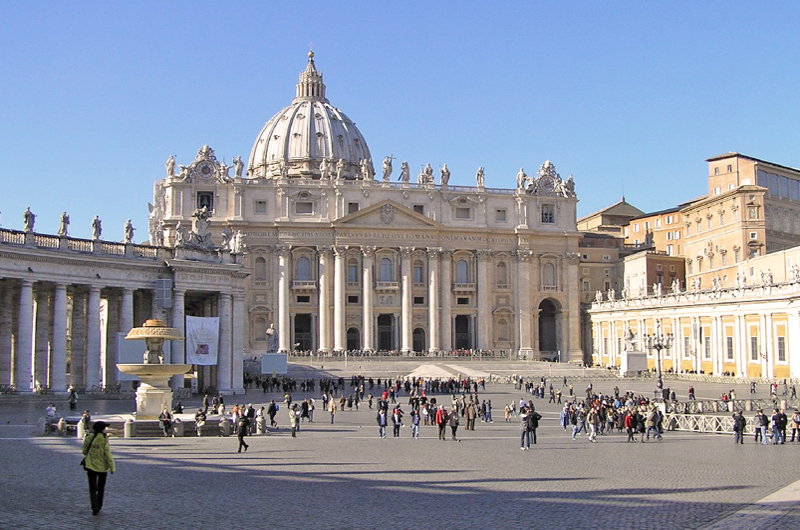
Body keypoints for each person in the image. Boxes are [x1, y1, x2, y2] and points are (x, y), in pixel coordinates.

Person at [82, 420, 115, 516]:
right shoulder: (104, 439)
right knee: (101, 488)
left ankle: (94, 506)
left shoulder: (89, 437)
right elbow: (108, 454)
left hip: (90, 466)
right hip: (102, 467)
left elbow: (84, 451)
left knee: (92, 488)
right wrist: (112, 467)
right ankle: (99, 506)